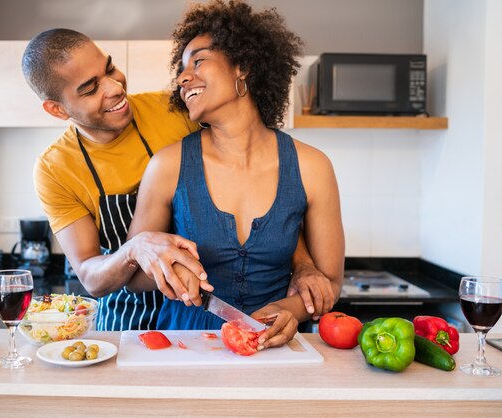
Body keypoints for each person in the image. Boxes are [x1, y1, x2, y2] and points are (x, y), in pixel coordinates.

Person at [127, 0, 345, 349]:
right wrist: (168, 268)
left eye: (198, 61)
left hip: (275, 350)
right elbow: (134, 276)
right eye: (182, 70)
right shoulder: (167, 165)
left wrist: (288, 310)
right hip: (184, 347)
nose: (183, 79)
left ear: (242, 67)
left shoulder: (313, 166)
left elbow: (330, 283)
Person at [22, 28, 207, 331]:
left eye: (109, 68)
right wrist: (134, 249)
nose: (115, 87)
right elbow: (90, 275)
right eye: (90, 89)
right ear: (57, 109)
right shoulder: (55, 168)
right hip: (127, 320)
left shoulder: (176, 111)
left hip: (200, 308)